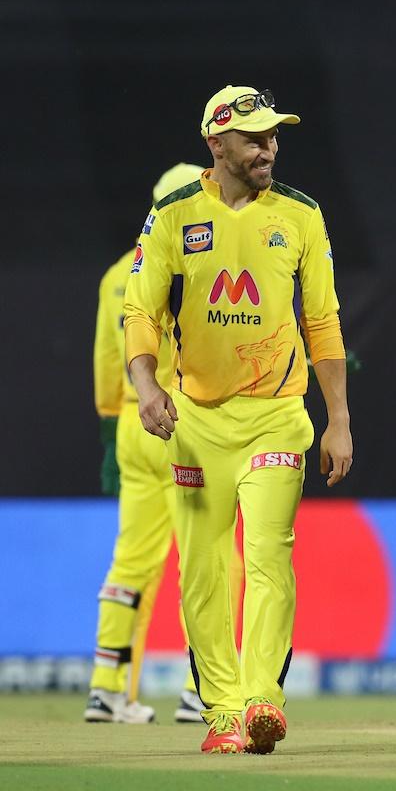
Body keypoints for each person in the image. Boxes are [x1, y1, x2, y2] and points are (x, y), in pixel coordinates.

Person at [123, 85, 352, 754]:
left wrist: (337, 418)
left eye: (273, 136)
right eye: (254, 138)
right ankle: (222, 714)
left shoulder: (302, 215)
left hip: (278, 416)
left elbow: (323, 321)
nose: (268, 148)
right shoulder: (171, 216)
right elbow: (140, 312)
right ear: (215, 142)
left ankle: (260, 701)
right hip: (196, 420)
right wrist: (147, 386)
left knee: (268, 556)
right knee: (202, 571)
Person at [89, 162, 231, 725]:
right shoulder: (198, 265)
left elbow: (108, 362)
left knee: (132, 561)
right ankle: (203, 689)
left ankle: (106, 688)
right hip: (182, 423)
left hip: (130, 423)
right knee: (213, 557)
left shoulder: (116, 275)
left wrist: (108, 430)